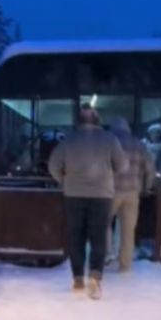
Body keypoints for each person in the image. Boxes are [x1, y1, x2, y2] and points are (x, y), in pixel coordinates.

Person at [48, 104, 127, 299]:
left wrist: (65, 180)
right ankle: (95, 277)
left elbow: (53, 165)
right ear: (97, 120)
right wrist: (106, 176)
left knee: (76, 236)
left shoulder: (69, 140)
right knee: (97, 236)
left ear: (79, 120)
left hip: (73, 195)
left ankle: (77, 279)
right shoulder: (109, 139)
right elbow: (122, 165)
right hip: (102, 196)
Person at [106, 117, 156, 273]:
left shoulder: (109, 143)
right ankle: (125, 264)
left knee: (103, 224)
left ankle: (107, 254)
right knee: (128, 230)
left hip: (111, 191)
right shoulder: (139, 144)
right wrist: (147, 187)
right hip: (132, 192)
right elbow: (150, 167)